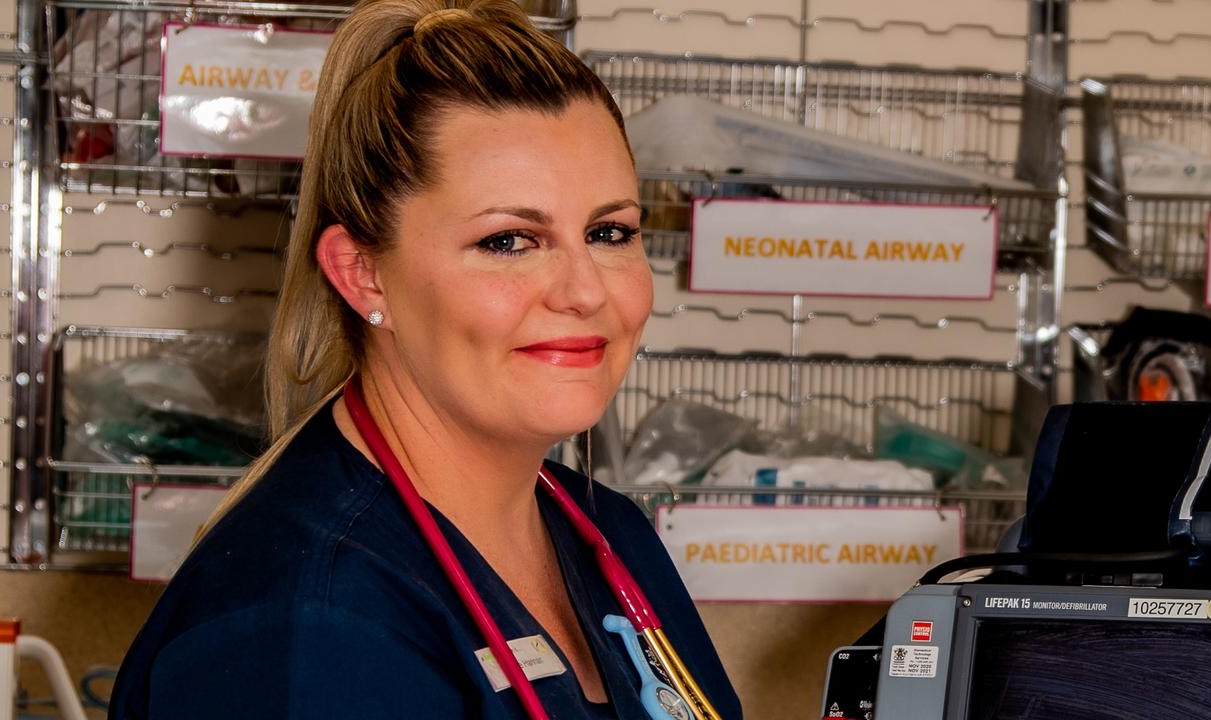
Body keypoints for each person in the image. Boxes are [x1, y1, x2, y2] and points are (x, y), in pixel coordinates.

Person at [107, 0, 742, 718]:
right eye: (508, 241)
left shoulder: (609, 535)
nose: (584, 291)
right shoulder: (307, 627)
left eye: (609, 231)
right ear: (362, 274)